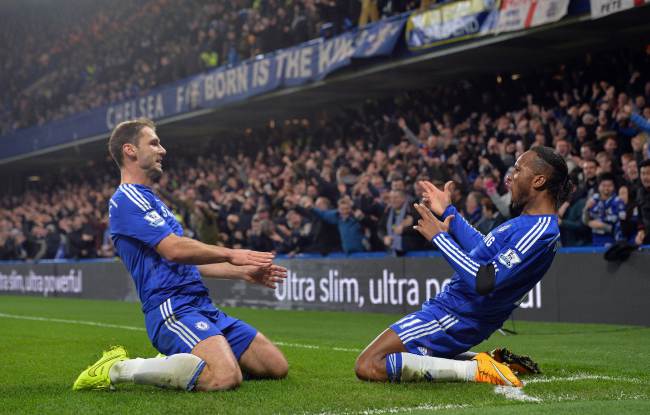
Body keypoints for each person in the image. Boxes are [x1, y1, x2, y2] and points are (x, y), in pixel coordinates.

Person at [73, 118, 289, 392]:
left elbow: (186, 263)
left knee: (275, 367)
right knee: (224, 377)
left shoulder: (154, 201)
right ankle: (118, 368)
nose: (162, 150)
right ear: (130, 150)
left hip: (201, 305)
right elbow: (174, 250)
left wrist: (241, 272)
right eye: (153, 142)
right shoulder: (126, 199)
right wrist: (231, 253)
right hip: (171, 308)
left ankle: (184, 360)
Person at [355, 147, 571, 388]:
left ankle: (475, 369)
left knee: (369, 364)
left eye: (518, 170)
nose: (510, 177)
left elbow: (484, 280)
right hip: (458, 313)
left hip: (455, 314)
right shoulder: (527, 223)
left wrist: (439, 238)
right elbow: (482, 250)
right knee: (407, 358)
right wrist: (449, 212)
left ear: (539, 180)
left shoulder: (540, 231)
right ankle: (484, 361)